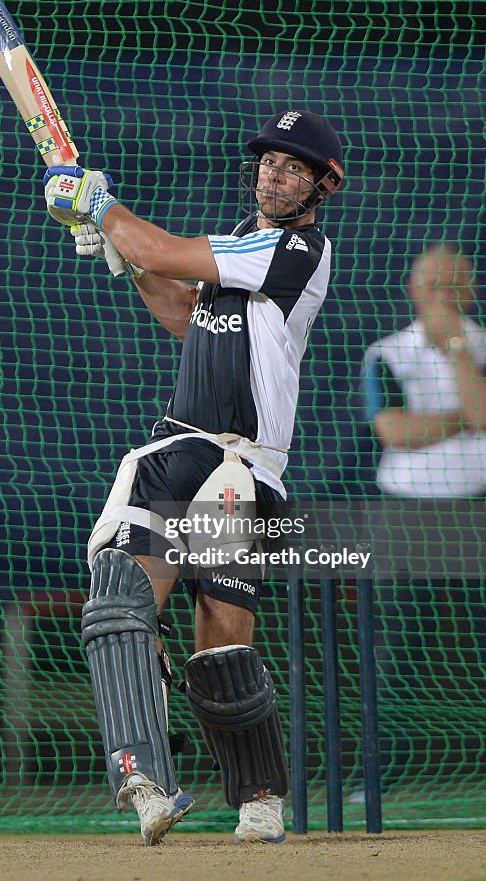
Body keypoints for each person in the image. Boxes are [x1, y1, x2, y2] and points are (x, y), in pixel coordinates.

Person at [42, 110, 345, 844]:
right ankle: (145, 781)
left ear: (324, 185)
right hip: (180, 447)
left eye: (293, 167)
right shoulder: (242, 244)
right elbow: (185, 311)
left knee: (222, 640)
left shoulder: (298, 249)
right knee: (118, 603)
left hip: (244, 467)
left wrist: (104, 211)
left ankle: (261, 798)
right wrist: (126, 259)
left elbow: (165, 248)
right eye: (270, 162)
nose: (275, 174)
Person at [359, 242, 486, 805]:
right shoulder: (385, 353)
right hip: (405, 511)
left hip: (482, 508)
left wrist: (453, 350)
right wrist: (461, 419)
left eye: (454, 286)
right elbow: (393, 433)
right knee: (397, 651)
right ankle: (378, 777)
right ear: (414, 291)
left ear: (469, 291)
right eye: (433, 287)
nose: (443, 296)